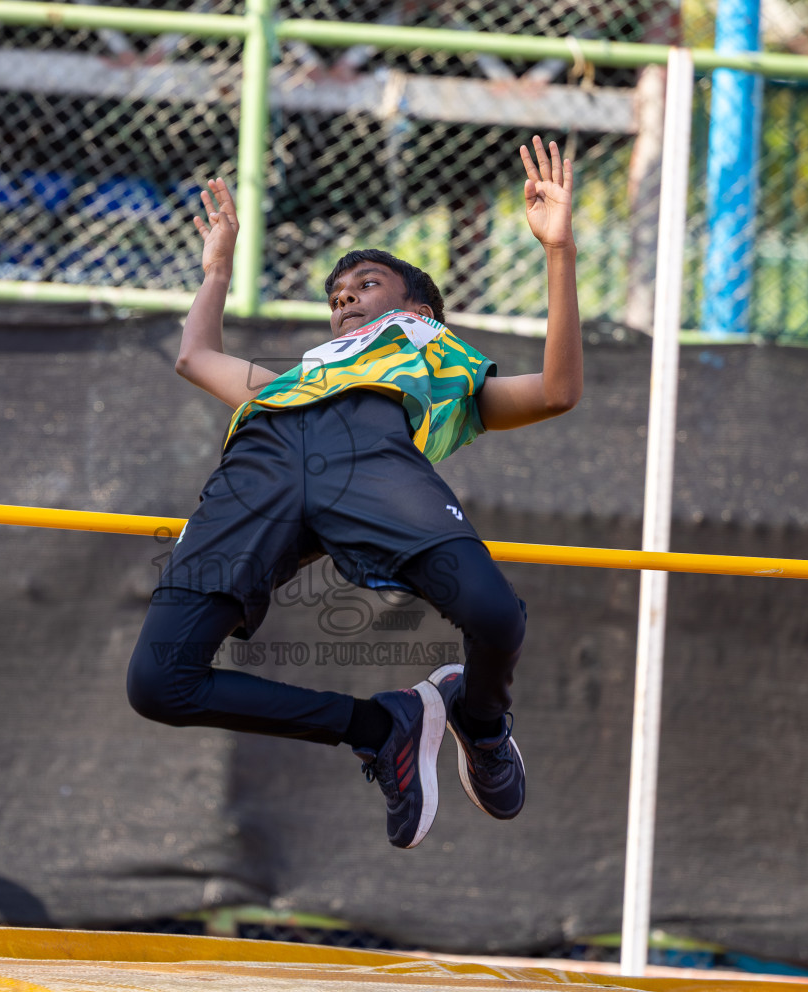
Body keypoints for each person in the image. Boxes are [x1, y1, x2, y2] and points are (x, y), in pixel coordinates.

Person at [126, 136, 583, 849]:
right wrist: (217, 269)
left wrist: (558, 251)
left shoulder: (435, 357)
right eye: (337, 296)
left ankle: (482, 725)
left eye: (365, 284)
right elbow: (195, 356)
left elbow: (557, 392)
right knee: (159, 684)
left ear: (422, 310)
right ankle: (381, 729)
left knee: (495, 615)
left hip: (367, 452)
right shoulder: (296, 377)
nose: (344, 297)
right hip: (261, 459)